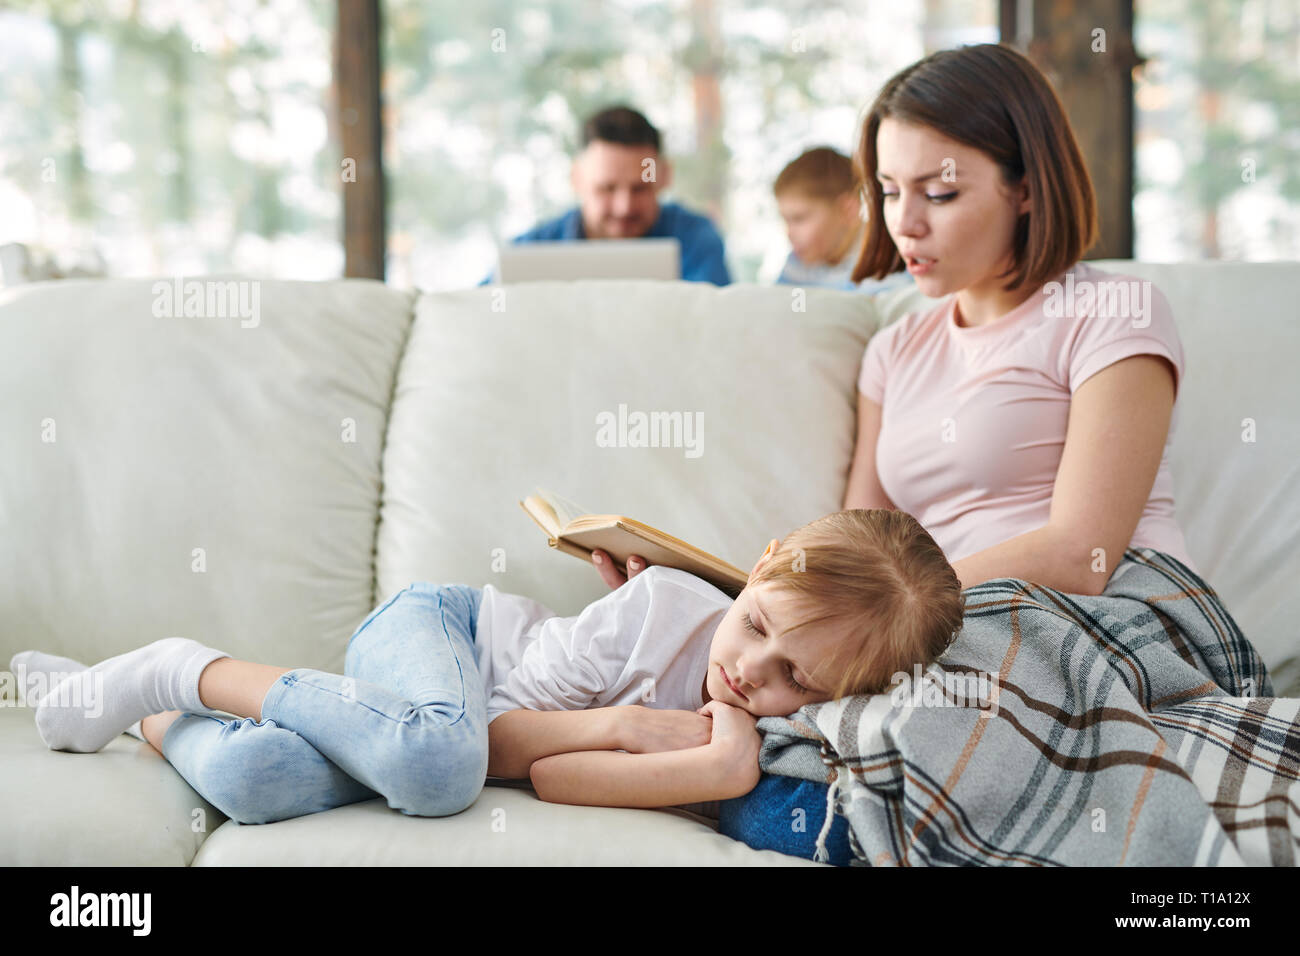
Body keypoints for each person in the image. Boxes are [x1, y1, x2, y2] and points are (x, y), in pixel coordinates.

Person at [597, 42, 1196, 600]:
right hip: (944, 630)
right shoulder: (895, 350)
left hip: (1101, 617)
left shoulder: (1114, 314)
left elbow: (1079, 557)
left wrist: (876, 607)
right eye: (887, 192)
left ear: (1027, 189)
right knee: (674, 630)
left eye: (938, 193)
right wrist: (725, 596)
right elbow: (860, 547)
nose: (903, 223)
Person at [13, 509, 962, 823]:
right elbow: (498, 740)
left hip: (415, 728)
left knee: (255, 779)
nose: (755, 676)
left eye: (801, 680)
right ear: (753, 571)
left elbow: (552, 778)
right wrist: (630, 725)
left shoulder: (764, 732)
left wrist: (723, 765)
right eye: (755, 624)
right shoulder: (665, 610)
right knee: (438, 764)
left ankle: (128, 708)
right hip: (440, 632)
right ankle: (180, 666)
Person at [486, 105, 731, 285]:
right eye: (607, 188)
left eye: (640, 188)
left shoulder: (696, 239)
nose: (624, 207)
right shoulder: (529, 252)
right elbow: (475, 318)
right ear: (576, 179)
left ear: (664, 176)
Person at [772, 146, 913, 294]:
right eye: (785, 220)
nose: (789, 233)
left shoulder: (893, 262)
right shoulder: (796, 265)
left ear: (848, 211)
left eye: (799, 219)